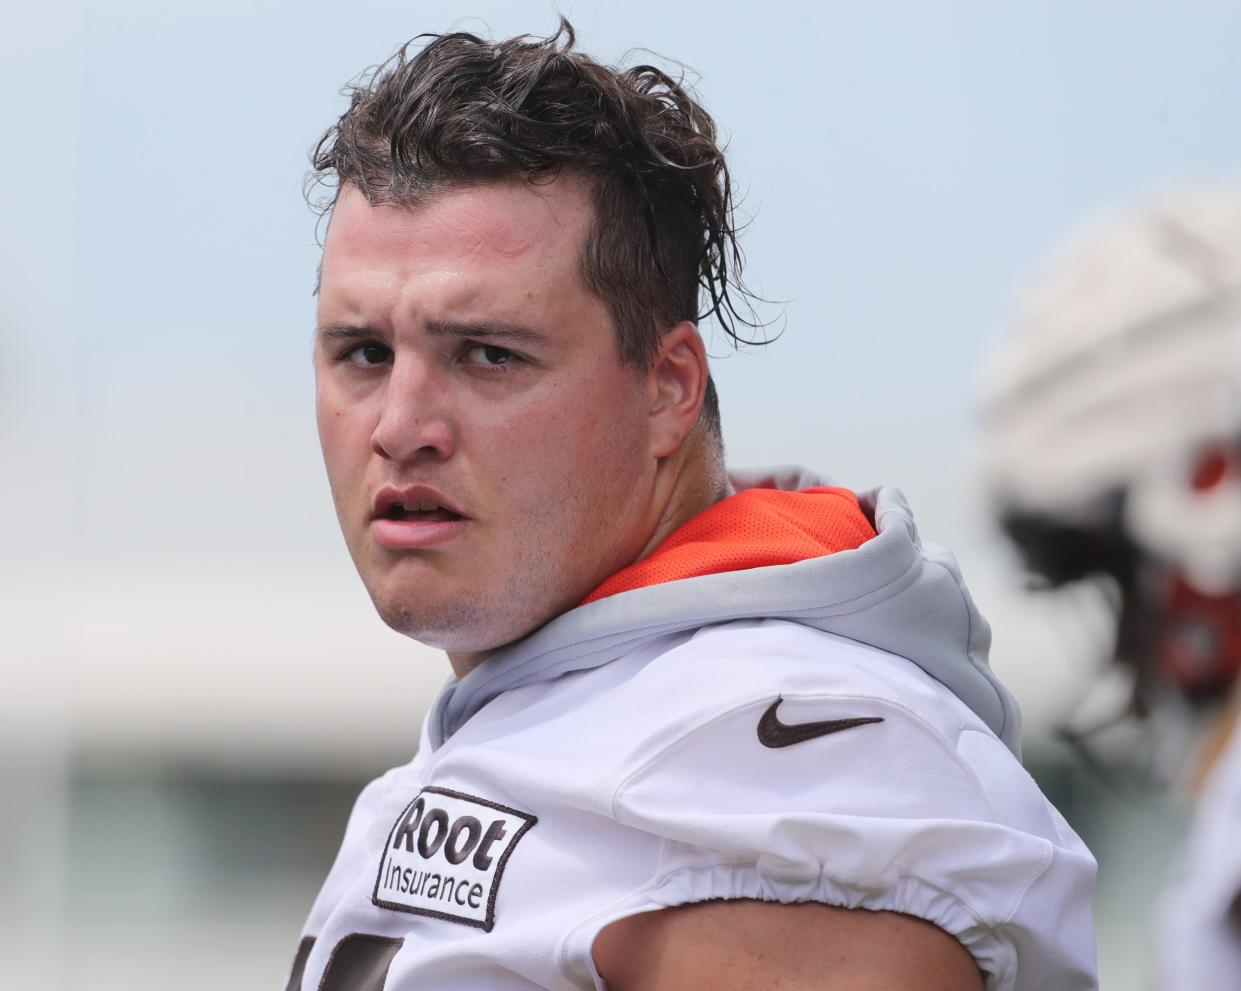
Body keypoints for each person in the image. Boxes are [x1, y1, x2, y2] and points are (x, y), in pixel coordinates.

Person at [287, 20, 1097, 991]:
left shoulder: (787, 752)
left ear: (668, 386)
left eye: (488, 354)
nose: (401, 424)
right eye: (363, 354)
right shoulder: (593, 691)